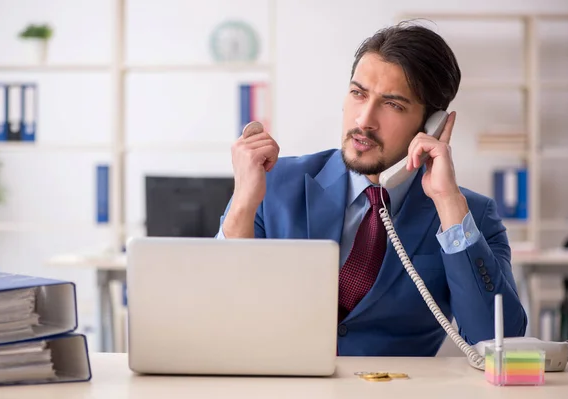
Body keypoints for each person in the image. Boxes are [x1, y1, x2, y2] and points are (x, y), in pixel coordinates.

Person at [216, 21, 527, 357]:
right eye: (358, 93)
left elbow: (501, 341)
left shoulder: (471, 215)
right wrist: (242, 206)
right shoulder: (274, 181)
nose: (364, 119)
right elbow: (218, 308)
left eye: (393, 104)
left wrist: (448, 204)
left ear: (431, 125)